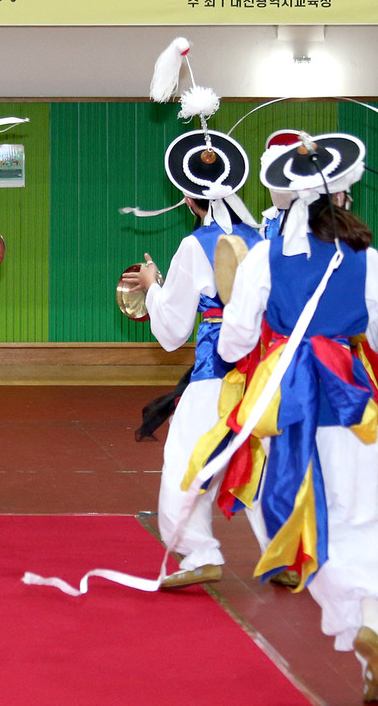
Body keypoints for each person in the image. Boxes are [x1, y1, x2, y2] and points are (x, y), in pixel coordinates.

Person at [216, 133, 378, 702]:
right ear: (344, 195)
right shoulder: (366, 258)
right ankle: (369, 623)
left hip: (292, 401)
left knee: (294, 526)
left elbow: (232, 346)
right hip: (352, 401)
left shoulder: (264, 258)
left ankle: (358, 618)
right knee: (361, 520)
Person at [125, 128, 264, 588]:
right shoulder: (263, 239)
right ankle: (289, 557)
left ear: (188, 198)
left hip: (215, 368)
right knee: (264, 456)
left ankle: (198, 550)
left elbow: (173, 327)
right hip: (265, 369)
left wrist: (151, 286)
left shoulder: (195, 245)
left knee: (189, 457)